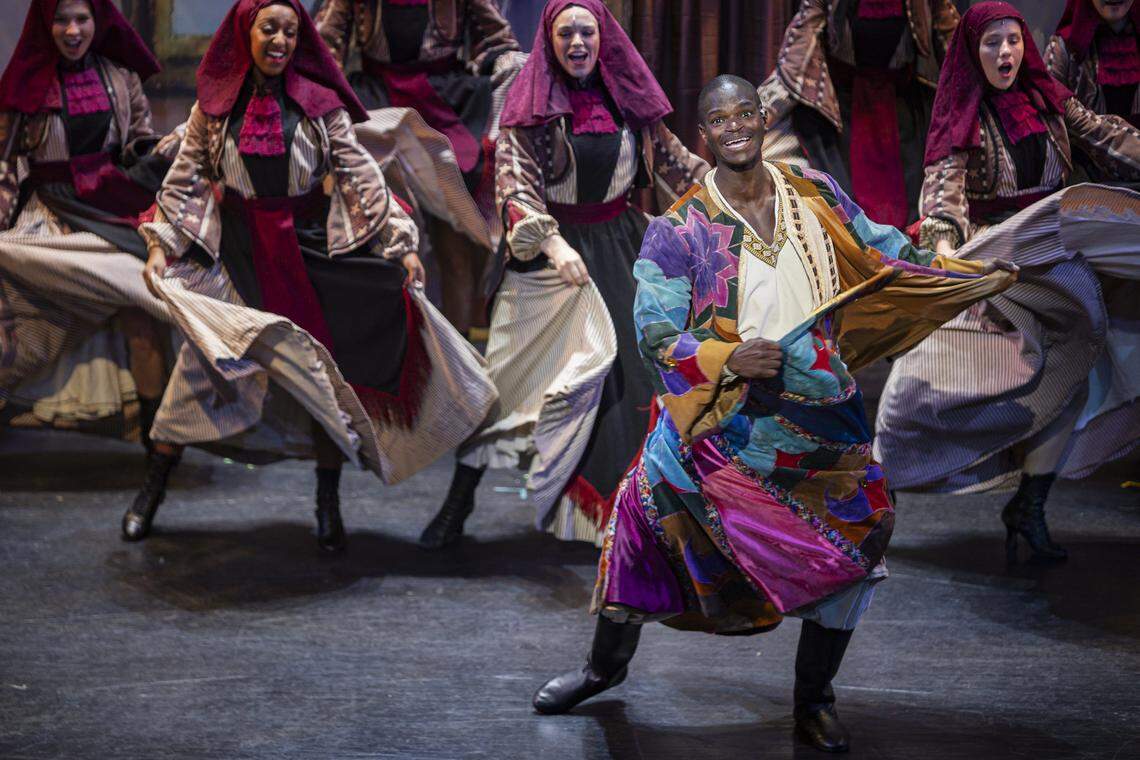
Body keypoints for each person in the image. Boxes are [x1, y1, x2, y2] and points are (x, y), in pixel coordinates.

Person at [532, 74, 1015, 754]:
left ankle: (814, 700)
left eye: (744, 113)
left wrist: (943, 255)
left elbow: (879, 248)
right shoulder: (679, 230)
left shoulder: (812, 193)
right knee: (642, 524)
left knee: (855, 545)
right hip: (722, 423)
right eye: (718, 119)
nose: (734, 126)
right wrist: (727, 356)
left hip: (820, 415)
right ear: (704, 134)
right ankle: (602, 668)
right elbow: (656, 333)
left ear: (763, 119)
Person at [122, 0, 496, 551]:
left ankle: (327, 502)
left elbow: (360, 176)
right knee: (199, 372)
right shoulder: (216, 107)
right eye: (268, 29)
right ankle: (152, 490)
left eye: (290, 32)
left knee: (324, 379)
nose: (280, 41)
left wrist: (399, 245)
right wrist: (162, 244)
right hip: (241, 254)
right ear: (246, 33)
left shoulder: (321, 105)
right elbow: (186, 179)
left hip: (311, 252)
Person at [418, 0, 709, 549]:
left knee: (630, 384)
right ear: (549, 41)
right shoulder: (531, 105)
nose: (577, 42)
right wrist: (551, 243)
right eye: (565, 33)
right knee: (509, 383)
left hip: (620, 248)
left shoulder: (627, 102)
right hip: (548, 258)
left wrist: (732, 195)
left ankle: (620, 517)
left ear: (604, 39)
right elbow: (514, 188)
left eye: (587, 32)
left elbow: (679, 166)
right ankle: (460, 499)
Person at [875, 2, 1140, 562]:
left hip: (1054, 258)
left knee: (1070, 382)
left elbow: (1108, 137)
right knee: (922, 383)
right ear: (974, 51)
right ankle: (881, 485)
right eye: (992, 42)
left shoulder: (1049, 100)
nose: (1005, 52)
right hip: (994, 260)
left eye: (1013, 41)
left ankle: (1029, 506)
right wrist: (946, 249)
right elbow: (943, 188)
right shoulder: (963, 112)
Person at [0, 0, 175, 445]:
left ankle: (157, 449)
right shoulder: (28, 82)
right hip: (49, 210)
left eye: (82, 19)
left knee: (144, 310)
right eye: (61, 19)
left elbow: (138, 143)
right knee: (17, 301)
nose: (72, 30)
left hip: (111, 206)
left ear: (98, 22)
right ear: (46, 24)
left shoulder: (121, 77)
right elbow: (5, 166)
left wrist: (157, 151)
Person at [313, 0, 525, 333]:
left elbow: (498, 40)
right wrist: (329, 93)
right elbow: (325, 43)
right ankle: (397, 349)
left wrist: (499, 68)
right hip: (377, 105)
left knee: (456, 243)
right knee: (385, 247)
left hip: (449, 106)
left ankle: (459, 351)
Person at [760, 0, 959, 228]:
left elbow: (952, 38)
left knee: (920, 193)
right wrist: (762, 111)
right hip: (843, 110)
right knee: (835, 194)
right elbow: (797, 55)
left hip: (903, 108)